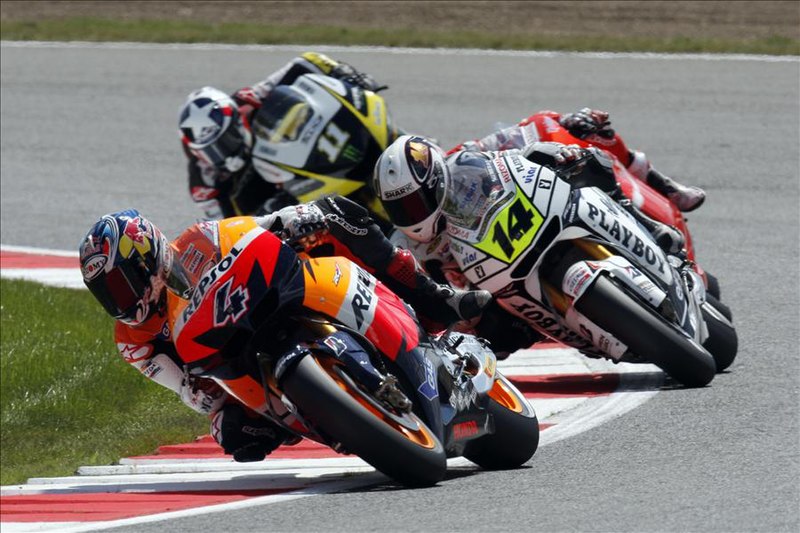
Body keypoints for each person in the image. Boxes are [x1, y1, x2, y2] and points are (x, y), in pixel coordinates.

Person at [79, 196, 489, 462]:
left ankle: (435, 298)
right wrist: (203, 398)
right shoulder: (133, 340)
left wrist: (292, 219)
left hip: (275, 295)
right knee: (235, 435)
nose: (118, 302)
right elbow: (190, 393)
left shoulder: (196, 241)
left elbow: (252, 227)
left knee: (335, 214)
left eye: (120, 285)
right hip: (235, 367)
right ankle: (340, 418)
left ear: (145, 255)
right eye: (105, 294)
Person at [372, 135, 688, 356]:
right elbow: (419, 295)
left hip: (528, 227)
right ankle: (581, 329)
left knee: (590, 164)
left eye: (414, 203)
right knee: (500, 334)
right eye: (400, 209)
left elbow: (512, 155)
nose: (410, 215)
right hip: (495, 289)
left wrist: (545, 153)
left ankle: (649, 226)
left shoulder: (465, 163)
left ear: (436, 182)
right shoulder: (406, 245)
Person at [179, 52, 387, 220]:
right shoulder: (203, 184)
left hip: (298, 160)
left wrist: (345, 74)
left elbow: (305, 62)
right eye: (213, 149)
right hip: (268, 201)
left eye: (227, 139)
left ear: (236, 119)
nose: (225, 151)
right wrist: (265, 217)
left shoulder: (248, 99)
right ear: (195, 152)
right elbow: (221, 228)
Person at [449, 108, 706, 212]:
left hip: (533, 172)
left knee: (570, 125)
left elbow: (494, 142)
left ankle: (664, 187)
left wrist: (568, 121)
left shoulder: (442, 158)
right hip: (514, 214)